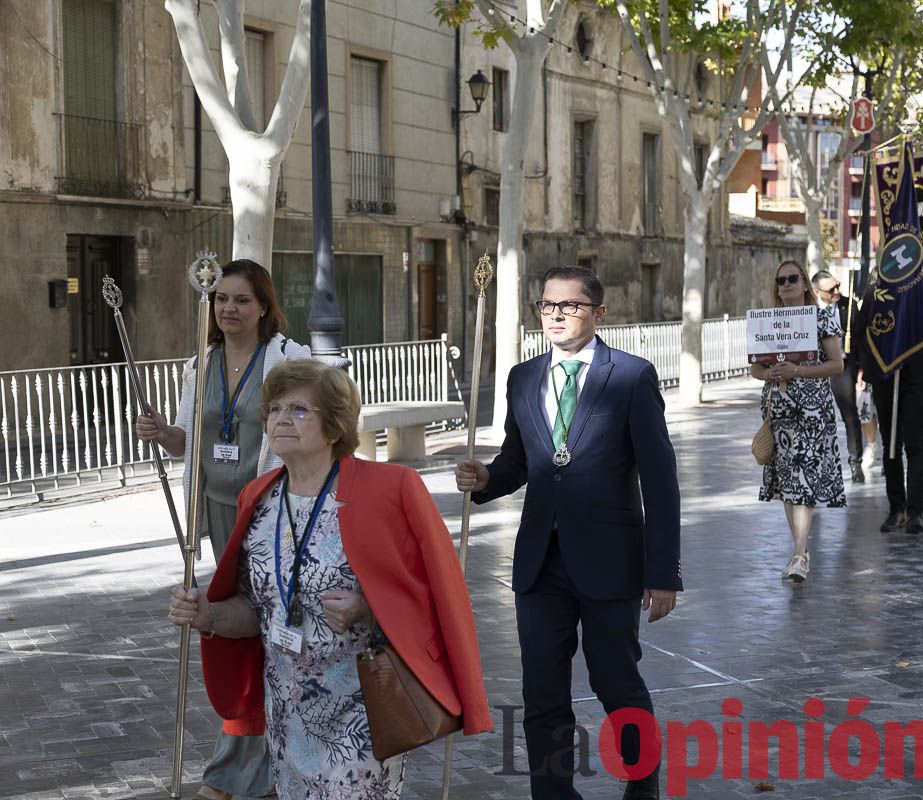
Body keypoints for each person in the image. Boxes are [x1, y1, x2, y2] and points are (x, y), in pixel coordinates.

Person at [167, 361, 492, 797]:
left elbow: (436, 594)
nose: (281, 418)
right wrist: (207, 613)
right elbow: (256, 611)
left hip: (363, 709)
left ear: (335, 426)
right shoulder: (258, 498)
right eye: (275, 408)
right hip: (288, 714)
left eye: (300, 409)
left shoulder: (391, 488)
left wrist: (367, 608)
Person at [454, 266, 681, 800]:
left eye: (570, 306)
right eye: (548, 306)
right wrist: (486, 478)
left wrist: (663, 571)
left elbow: (660, 479)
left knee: (615, 682)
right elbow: (518, 459)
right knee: (543, 692)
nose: (556, 315)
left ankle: (642, 782)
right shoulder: (523, 377)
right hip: (540, 563)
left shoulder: (630, 376)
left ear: (599, 313)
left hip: (610, 561)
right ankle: (553, 794)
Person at [137, 258, 308, 800]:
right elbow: (190, 440)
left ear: (263, 306)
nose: (229, 309)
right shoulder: (201, 363)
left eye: (240, 299)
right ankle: (253, 761)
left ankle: (244, 764)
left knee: (262, 629)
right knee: (245, 627)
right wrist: (163, 433)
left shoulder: (287, 359)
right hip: (215, 511)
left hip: (269, 512)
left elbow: (311, 427)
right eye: (221, 300)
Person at [754, 263, 846, 582]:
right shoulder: (768, 321)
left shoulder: (822, 318)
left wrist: (799, 372)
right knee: (788, 483)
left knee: (804, 478)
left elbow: (836, 365)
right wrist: (770, 373)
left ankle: (798, 553)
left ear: (805, 284)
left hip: (812, 409)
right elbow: (755, 368)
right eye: (781, 280)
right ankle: (800, 550)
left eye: (793, 278)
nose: (787, 284)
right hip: (778, 409)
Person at [851, 273, 923, 535]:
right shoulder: (876, 292)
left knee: (915, 445)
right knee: (891, 445)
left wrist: (915, 316)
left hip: (918, 381)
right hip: (886, 379)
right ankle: (897, 509)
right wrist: (869, 365)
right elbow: (860, 332)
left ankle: (915, 512)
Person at [813, 269, 865, 482]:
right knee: (816, 418)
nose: (836, 291)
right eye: (830, 289)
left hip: (843, 366)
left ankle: (855, 463)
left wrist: (862, 369)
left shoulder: (848, 305)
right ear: (817, 292)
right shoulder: (808, 310)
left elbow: (861, 336)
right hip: (815, 369)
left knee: (850, 415)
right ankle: (817, 464)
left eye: (838, 286)